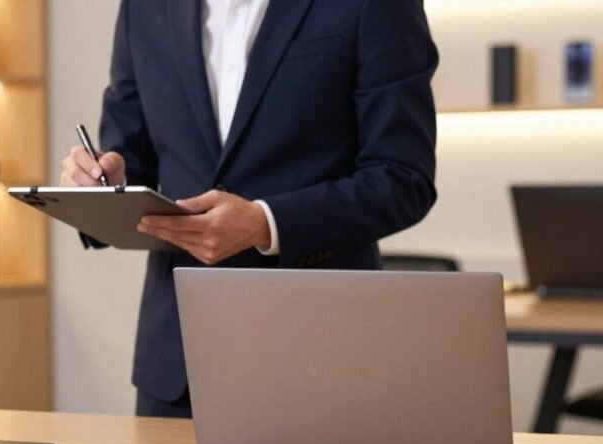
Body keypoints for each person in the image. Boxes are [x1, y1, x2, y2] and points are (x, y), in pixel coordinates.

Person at [60, 0, 439, 418]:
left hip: (323, 359)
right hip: (176, 363)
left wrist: (266, 224)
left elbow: (403, 178)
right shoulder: (143, 8)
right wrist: (98, 188)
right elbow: (129, 163)